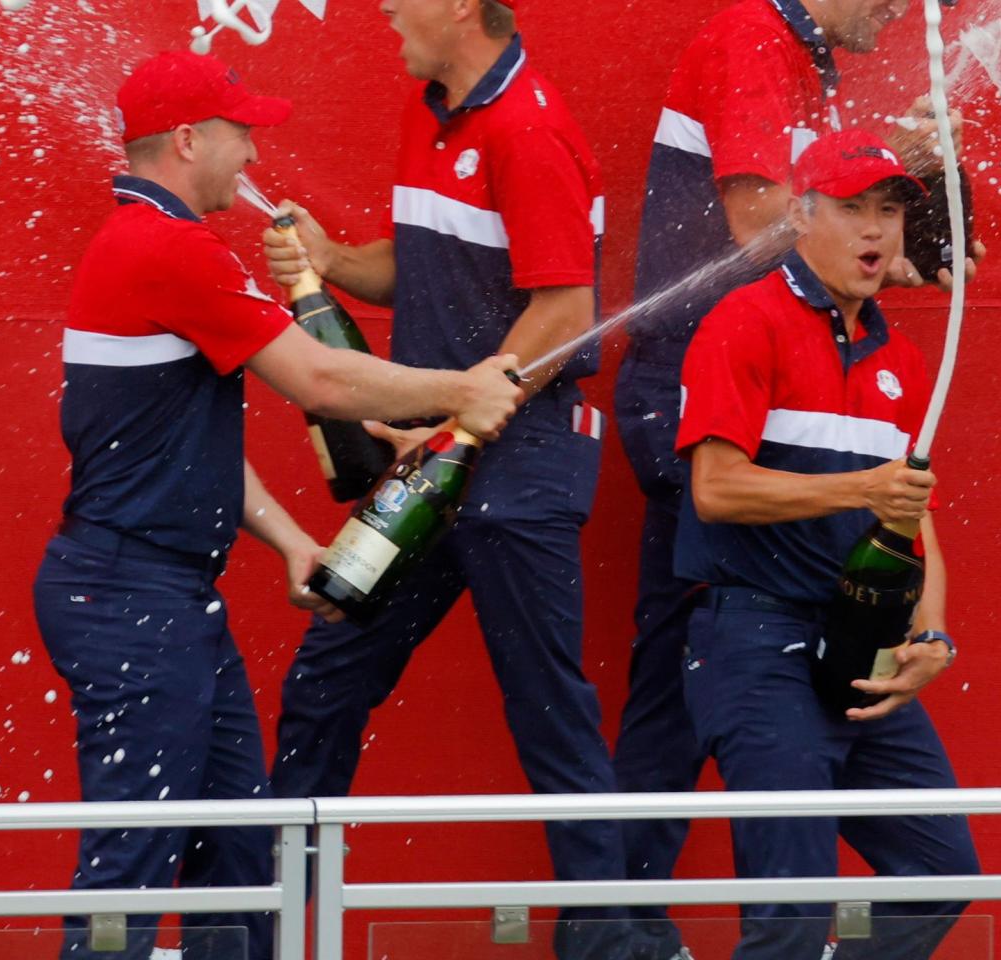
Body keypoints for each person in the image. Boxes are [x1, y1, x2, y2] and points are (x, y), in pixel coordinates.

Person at [32, 49, 522, 960]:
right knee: (133, 860)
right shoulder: (169, 248)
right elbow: (323, 380)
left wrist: (293, 540)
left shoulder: (154, 244)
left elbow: (186, 446)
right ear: (187, 141)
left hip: (161, 596)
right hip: (131, 599)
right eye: (241, 132)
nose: (253, 153)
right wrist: (461, 391)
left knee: (240, 859)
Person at [258, 2, 640, 959]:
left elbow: (568, 307)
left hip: (520, 460)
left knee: (549, 718)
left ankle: (611, 944)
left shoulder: (529, 125)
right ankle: (266, 930)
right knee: (327, 676)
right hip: (439, 455)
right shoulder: (433, 110)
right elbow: (421, 269)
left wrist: (478, 406)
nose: (384, 8)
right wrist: (330, 261)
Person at [613, 2, 978, 955]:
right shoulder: (744, 317)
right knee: (787, 907)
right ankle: (618, 925)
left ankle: (621, 923)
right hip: (762, 636)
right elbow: (719, 493)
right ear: (810, 212)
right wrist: (860, 495)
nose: (879, 234)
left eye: (891, 212)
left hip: (853, 643)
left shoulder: (887, 350)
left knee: (946, 875)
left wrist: (929, 633)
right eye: (855, 210)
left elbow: (913, 513)